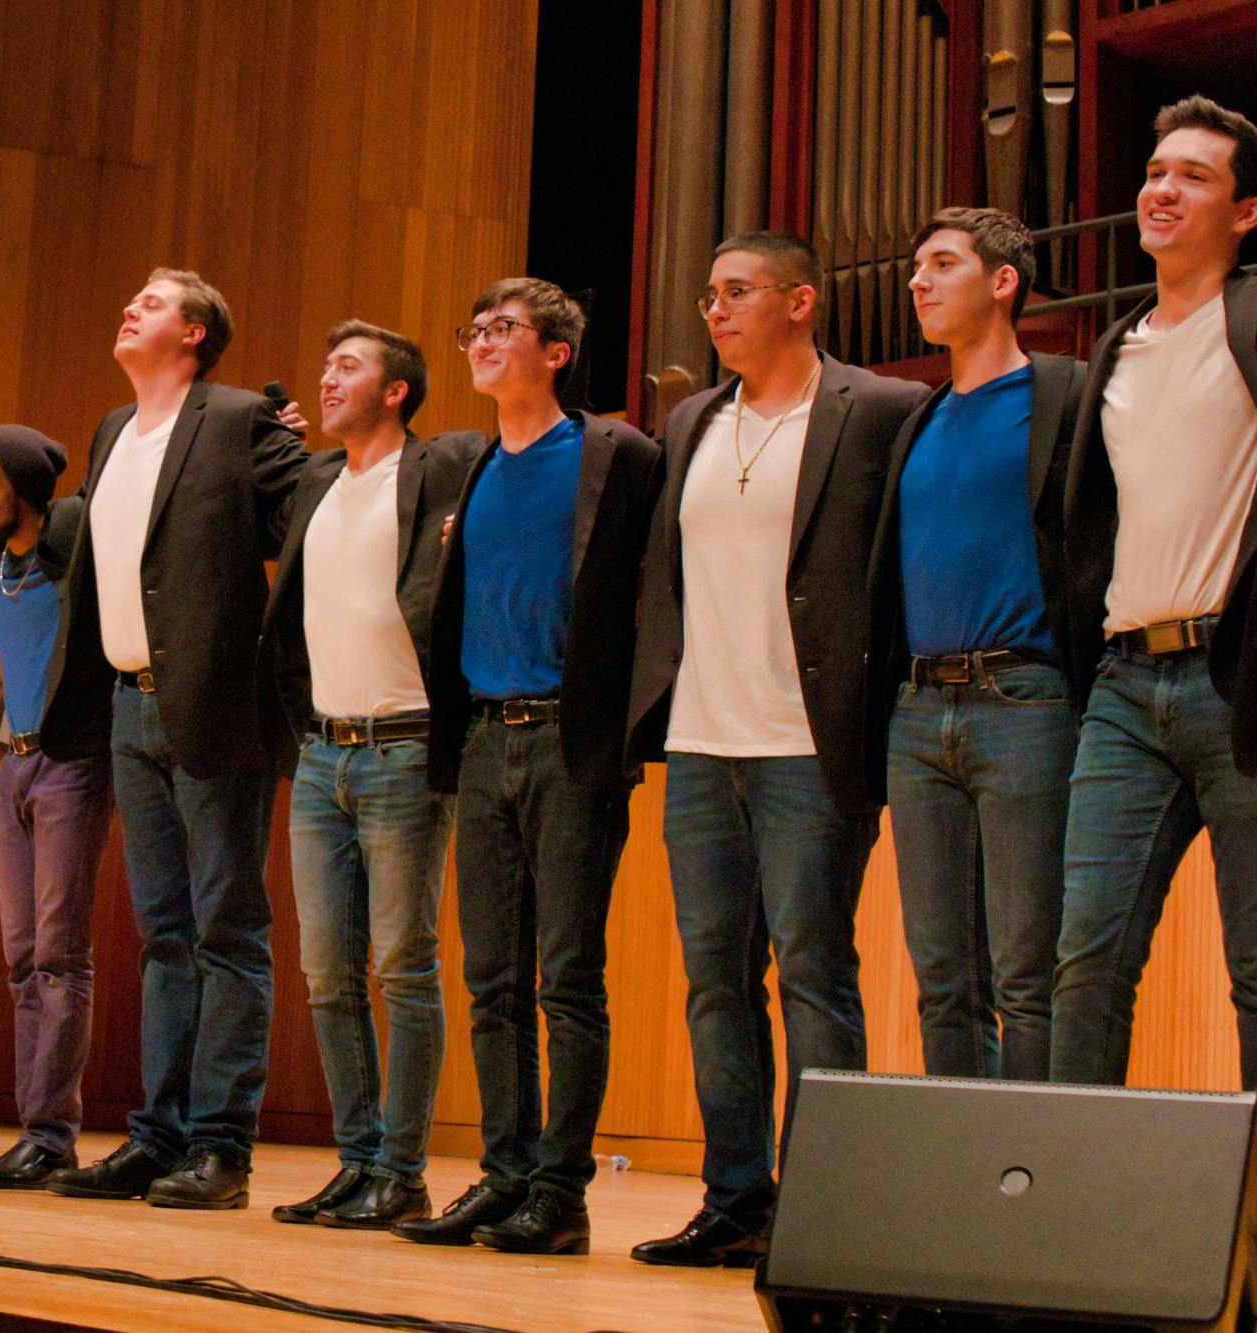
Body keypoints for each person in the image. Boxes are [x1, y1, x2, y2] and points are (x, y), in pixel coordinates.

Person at [626, 232, 928, 1268]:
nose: (714, 310)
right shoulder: (689, 423)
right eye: (707, 294)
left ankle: (829, 1206)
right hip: (702, 743)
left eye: (737, 292)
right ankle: (733, 1196)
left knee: (813, 971)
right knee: (714, 980)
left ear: (800, 301)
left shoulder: (879, 408)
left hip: (807, 742)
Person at [396, 279, 660, 1256]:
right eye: (472, 330)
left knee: (565, 978)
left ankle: (559, 1189)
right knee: (491, 979)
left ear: (554, 352)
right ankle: (502, 1177)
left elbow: (660, 586)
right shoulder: (461, 467)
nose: (478, 343)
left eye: (500, 329)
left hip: (568, 742)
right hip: (478, 741)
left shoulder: (615, 455)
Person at [43, 269, 306, 1210]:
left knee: (227, 925)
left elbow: (313, 510)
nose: (128, 308)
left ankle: (222, 1145)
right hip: (128, 706)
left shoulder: (238, 421)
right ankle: (158, 1137)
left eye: (150, 303)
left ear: (194, 333)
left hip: (214, 703)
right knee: (162, 933)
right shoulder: (114, 433)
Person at [1051, 95, 1257, 1088]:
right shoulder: (1113, 347)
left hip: (1236, 679)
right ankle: (1064, 1223)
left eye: (1193, 176)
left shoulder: (1252, 317)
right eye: (1154, 170)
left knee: (1255, 970)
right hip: (1124, 688)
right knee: (1083, 963)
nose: (1160, 189)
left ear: (1243, 212)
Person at [261, 322, 481, 1230]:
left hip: (403, 745)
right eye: (325, 364)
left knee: (403, 963)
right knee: (324, 970)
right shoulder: (314, 478)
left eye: (347, 366)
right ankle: (357, 1163)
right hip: (319, 753)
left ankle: (403, 1167)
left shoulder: (438, 468)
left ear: (396, 390)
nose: (327, 378)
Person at [867, 207, 1088, 1080]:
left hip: (1023, 704)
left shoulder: (1061, 393)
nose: (917, 281)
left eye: (942, 264)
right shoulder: (915, 420)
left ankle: (1029, 1184)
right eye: (915, 267)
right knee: (942, 977)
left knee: (1027, 973)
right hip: (919, 713)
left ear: (1003, 282)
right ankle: (963, 1183)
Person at [0, 425, 115, 1189]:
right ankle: (30, 1130)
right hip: (10, 760)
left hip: (71, 760)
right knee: (19, 958)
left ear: (22, 488)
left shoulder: (75, 551)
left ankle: (52, 1134)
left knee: (57, 953)